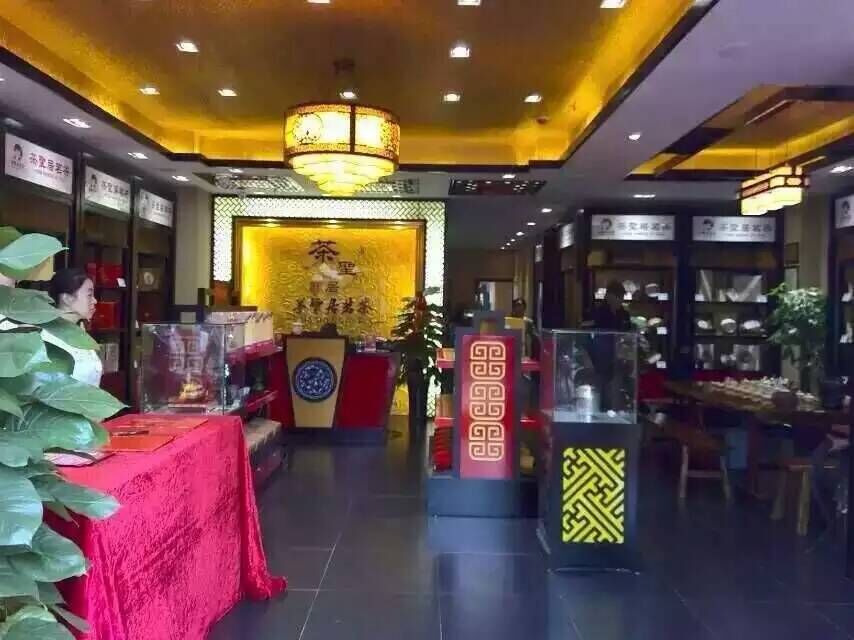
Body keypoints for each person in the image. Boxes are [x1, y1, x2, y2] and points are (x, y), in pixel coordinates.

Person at [48, 268, 102, 386]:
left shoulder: (81, 330)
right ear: (67, 299)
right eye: (89, 295)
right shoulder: (47, 337)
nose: (95, 301)